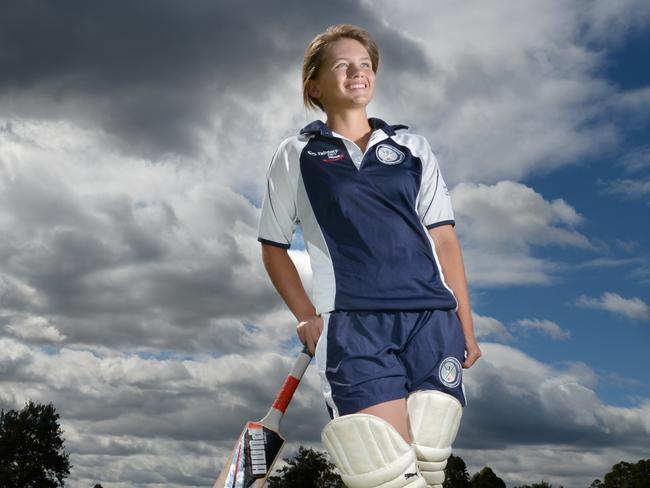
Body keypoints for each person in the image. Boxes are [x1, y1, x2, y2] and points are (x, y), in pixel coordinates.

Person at [257, 24, 481, 488]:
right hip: (354, 325)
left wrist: (466, 325)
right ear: (314, 85)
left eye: (365, 65)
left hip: (430, 319)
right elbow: (273, 246)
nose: (358, 72)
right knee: (387, 477)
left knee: (431, 465)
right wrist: (304, 315)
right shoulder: (297, 153)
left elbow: (444, 239)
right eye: (343, 65)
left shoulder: (412, 147)